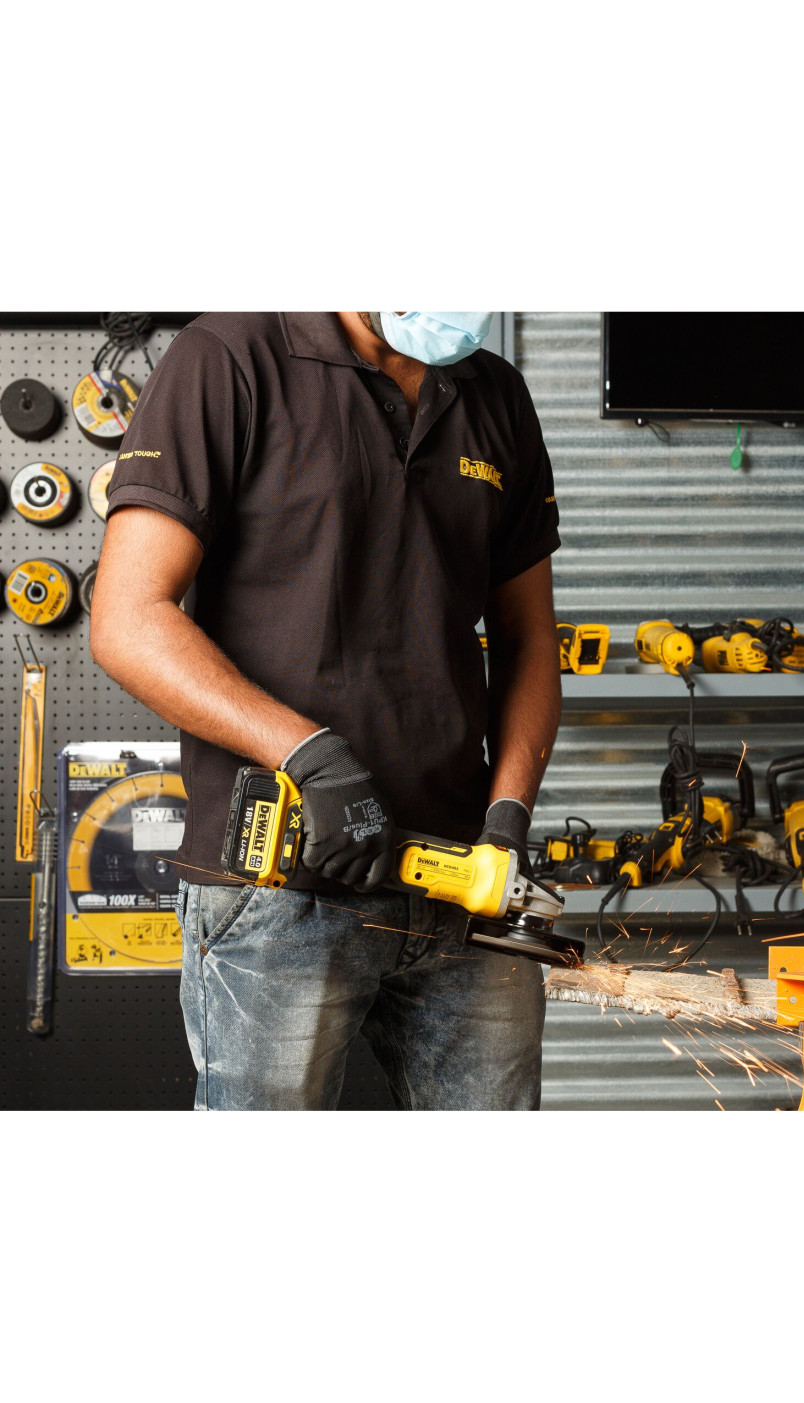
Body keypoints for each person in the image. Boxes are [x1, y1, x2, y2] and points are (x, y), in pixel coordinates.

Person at [91, 312, 562, 1111]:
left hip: (462, 888)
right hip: (279, 888)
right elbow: (128, 620)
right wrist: (311, 759)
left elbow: (528, 641)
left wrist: (508, 817)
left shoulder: (497, 393)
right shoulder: (227, 358)